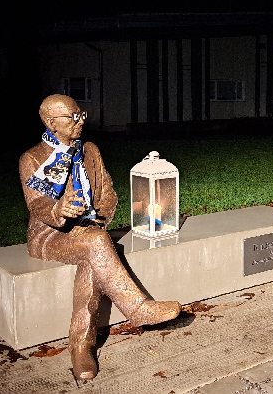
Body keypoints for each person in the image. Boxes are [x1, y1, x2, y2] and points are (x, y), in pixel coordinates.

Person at [19, 94, 180, 380]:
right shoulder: (32, 158)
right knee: (96, 243)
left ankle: (81, 346)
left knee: (94, 252)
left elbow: (107, 193)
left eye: (81, 114)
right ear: (51, 122)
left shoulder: (90, 150)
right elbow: (37, 204)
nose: (80, 121)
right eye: (73, 117)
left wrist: (96, 221)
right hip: (51, 234)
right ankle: (137, 309)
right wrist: (59, 209)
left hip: (90, 231)